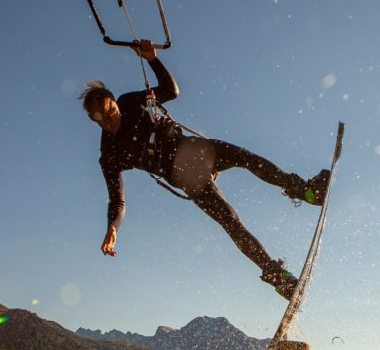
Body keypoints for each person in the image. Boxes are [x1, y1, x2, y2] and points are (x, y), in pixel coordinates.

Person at [79, 40, 329, 299]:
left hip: (196, 150)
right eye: (100, 118)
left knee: (249, 159)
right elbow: (117, 200)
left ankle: (305, 191)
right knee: (231, 222)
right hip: (185, 177)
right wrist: (113, 227)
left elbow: (171, 91)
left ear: (115, 105)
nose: (109, 121)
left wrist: (153, 59)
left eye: (111, 112)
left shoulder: (130, 102)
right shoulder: (109, 155)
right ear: (92, 119)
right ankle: (279, 279)